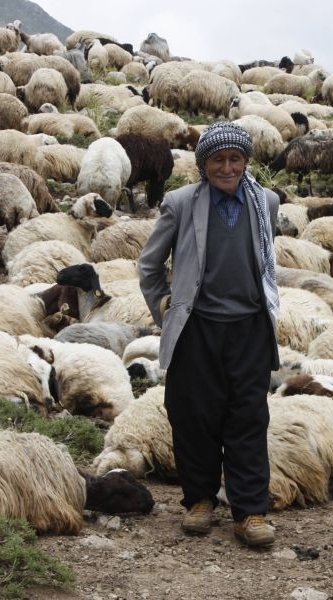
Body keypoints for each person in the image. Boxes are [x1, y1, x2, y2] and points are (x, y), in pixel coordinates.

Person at [138, 122, 280, 547]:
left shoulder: (267, 202)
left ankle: (250, 513)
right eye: (218, 160)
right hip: (197, 327)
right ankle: (199, 501)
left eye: (235, 159)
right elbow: (149, 265)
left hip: (250, 327)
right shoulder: (181, 203)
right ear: (203, 165)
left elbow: (266, 260)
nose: (227, 167)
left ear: (246, 161)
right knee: (194, 416)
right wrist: (165, 309)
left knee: (248, 417)